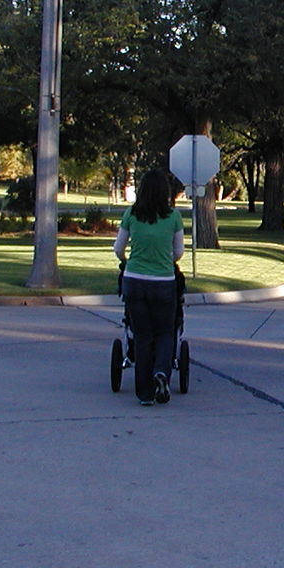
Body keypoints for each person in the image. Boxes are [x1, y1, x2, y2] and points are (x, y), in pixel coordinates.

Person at [113, 169, 185, 406]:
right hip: (163, 283)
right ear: (166, 192)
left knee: (142, 335)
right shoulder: (173, 217)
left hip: (134, 280)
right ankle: (161, 372)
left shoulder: (131, 214)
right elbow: (179, 252)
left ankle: (144, 393)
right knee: (164, 332)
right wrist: (165, 260)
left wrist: (127, 261)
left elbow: (118, 249)